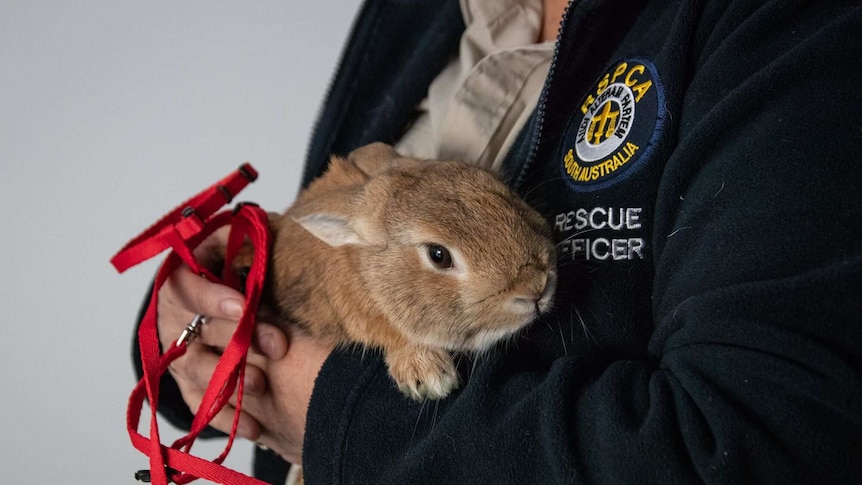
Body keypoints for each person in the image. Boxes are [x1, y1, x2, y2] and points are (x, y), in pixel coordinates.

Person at [136, 0, 862, 483]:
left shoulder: (779, 27)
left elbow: (750, 442)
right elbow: (332, 230)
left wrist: (334, 413)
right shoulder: (413, 12)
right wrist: (189, 326)